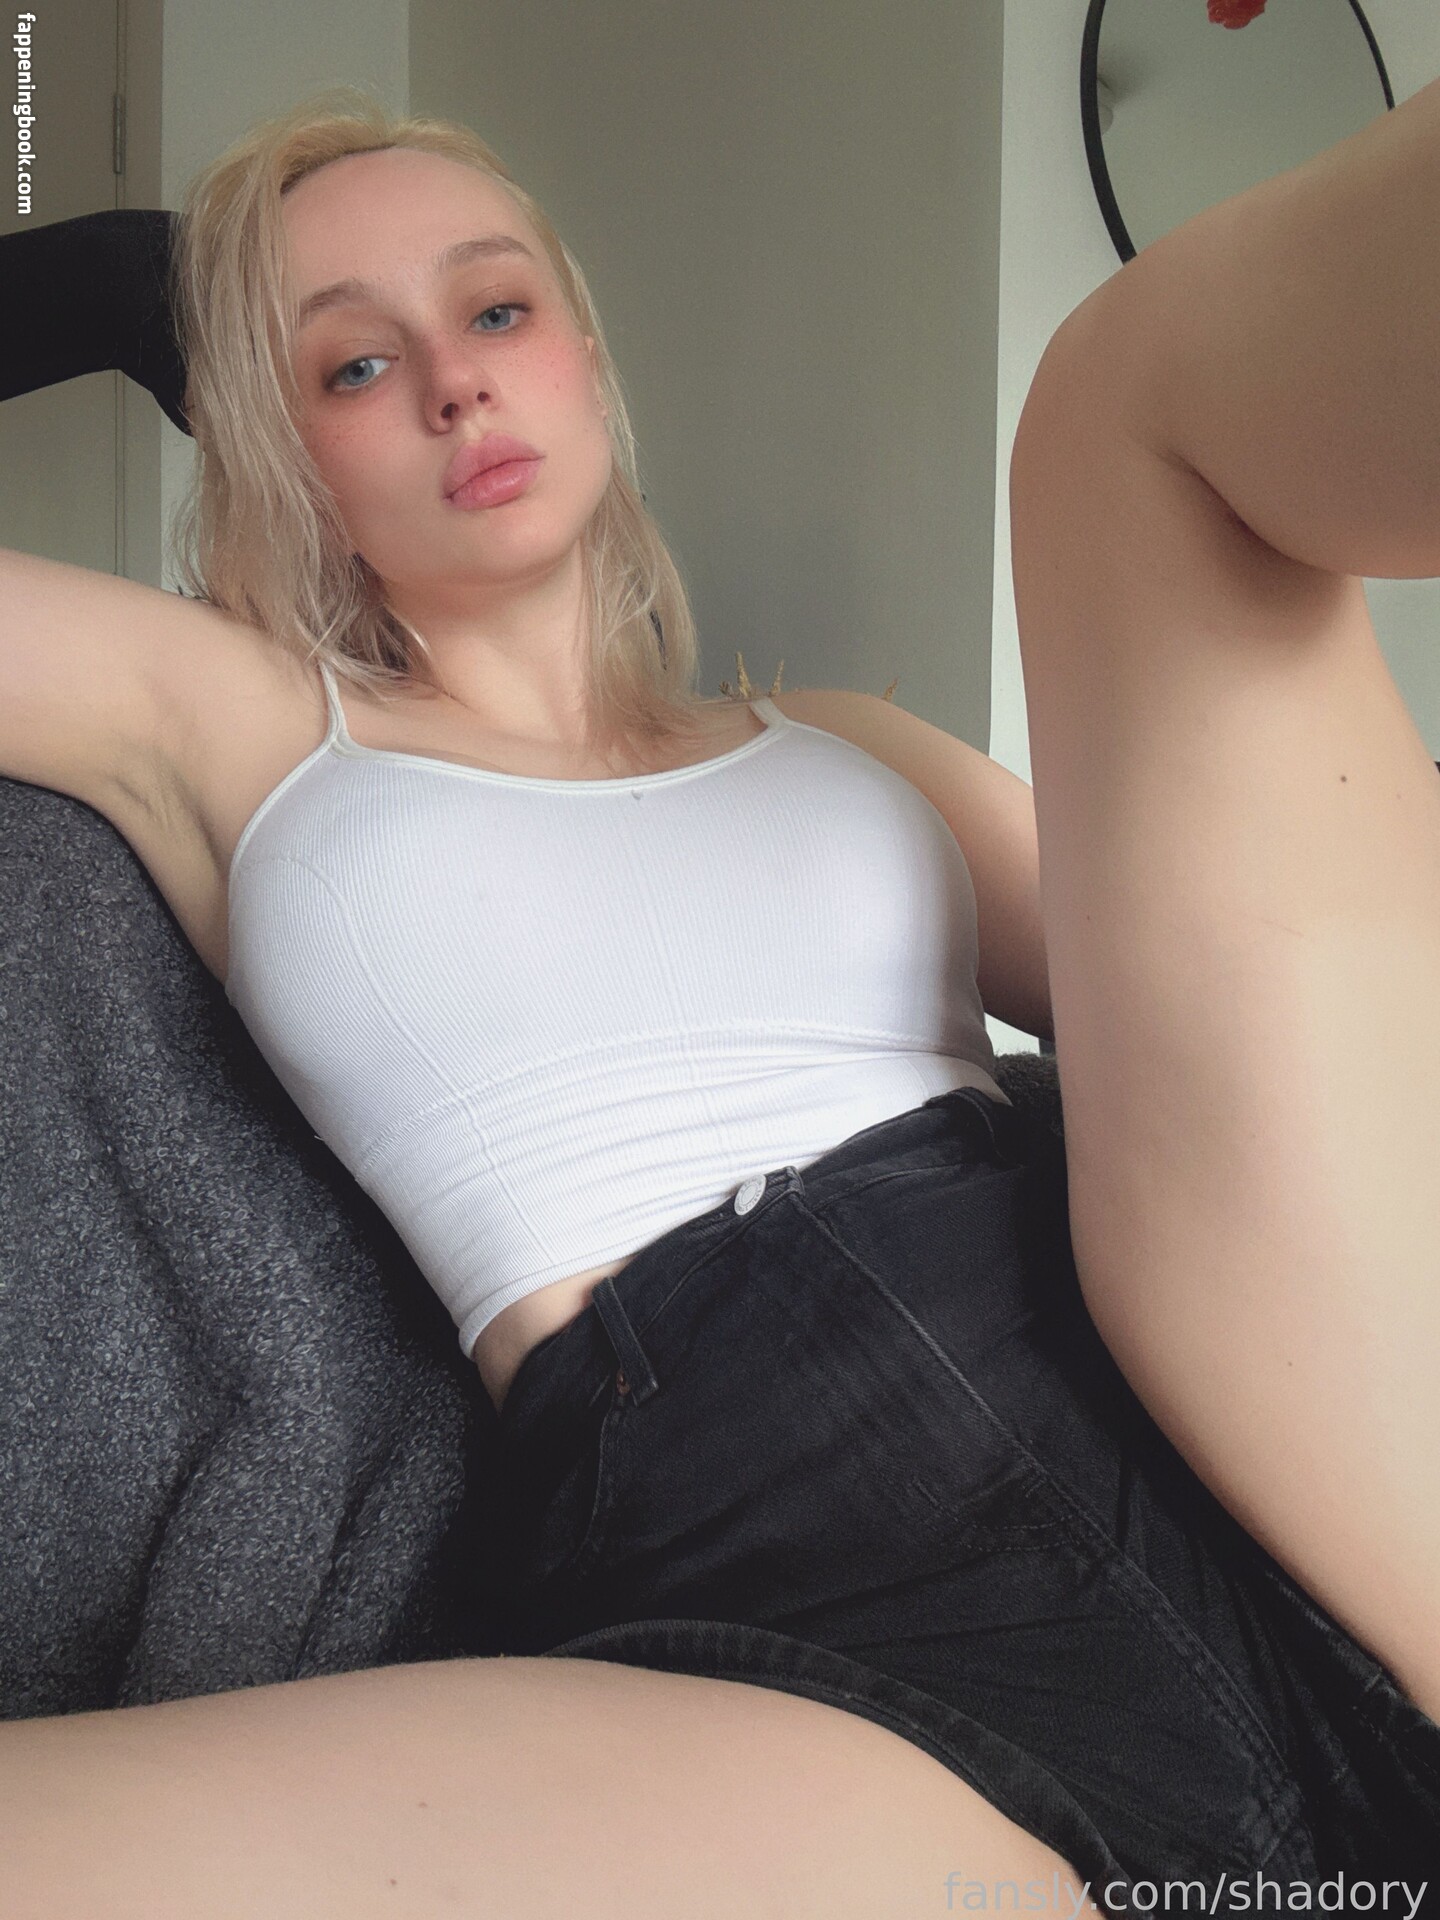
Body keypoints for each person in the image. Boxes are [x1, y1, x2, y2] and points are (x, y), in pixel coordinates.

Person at [1, 77, 1437, 1920]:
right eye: (353, 366)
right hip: (794, 1622)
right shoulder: (231, 726)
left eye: (495, 309)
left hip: (1241, 1406)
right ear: (279, 453)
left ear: (589, 360)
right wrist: (123, 285)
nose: (454, 385)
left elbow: (1217, 1022)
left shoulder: (844, 746)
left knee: (1117, 406)